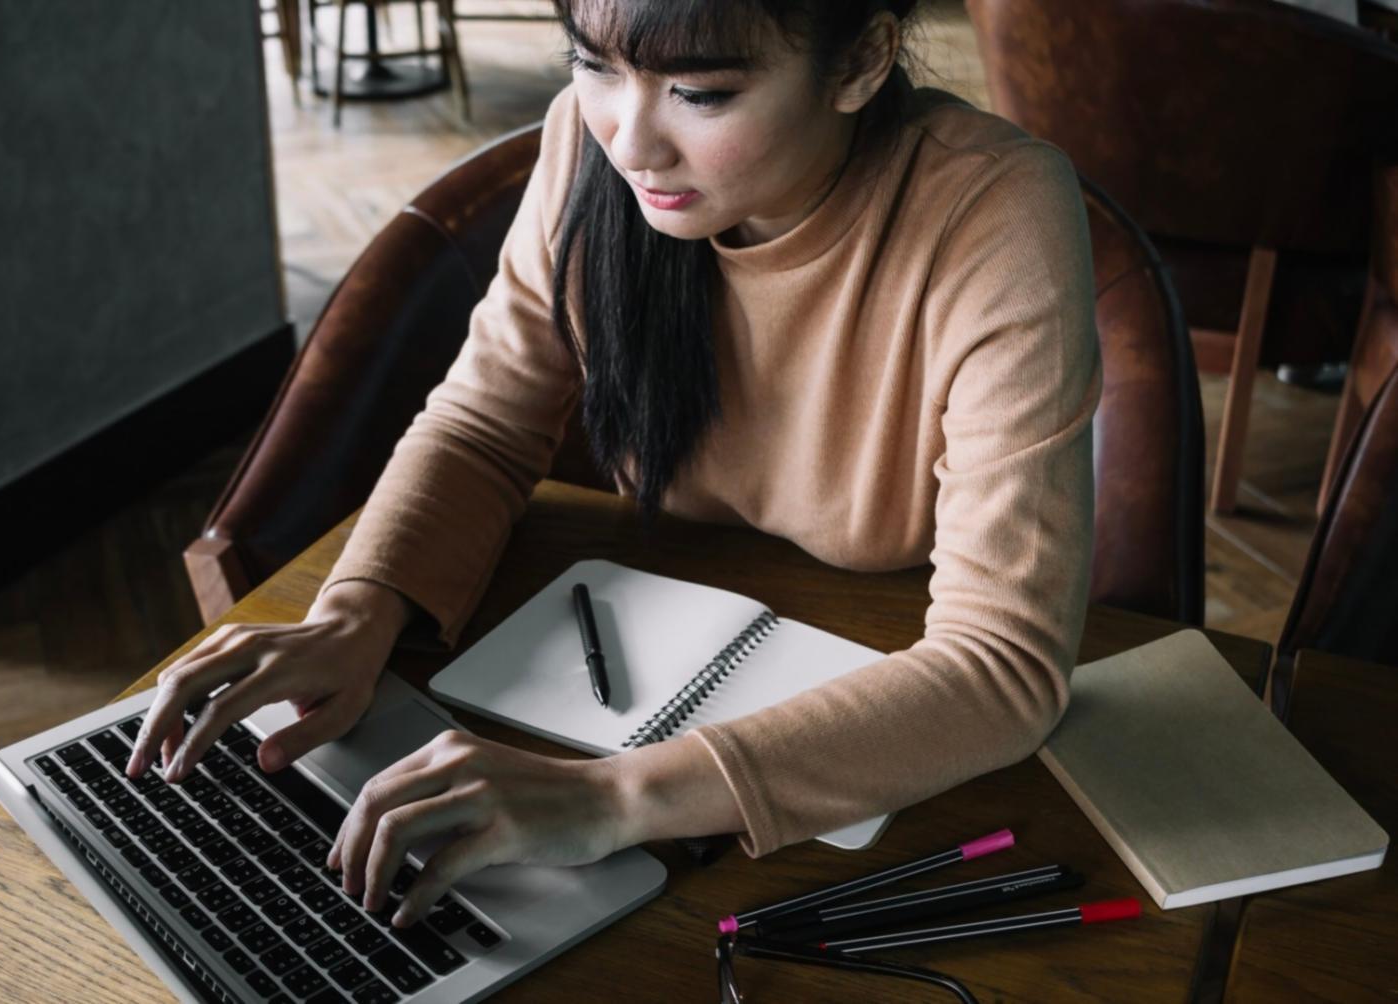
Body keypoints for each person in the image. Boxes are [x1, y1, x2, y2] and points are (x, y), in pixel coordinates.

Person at [128, 0, 1099, 930]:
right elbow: (482, 423)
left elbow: (1001, 660)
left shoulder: (995, 210)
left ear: (859, 61)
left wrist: (613, 797)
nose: (629, 139)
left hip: (876, 724)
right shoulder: (583, 147)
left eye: (701, 93)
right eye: (592, 64)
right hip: (628, 660)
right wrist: (352, 612)